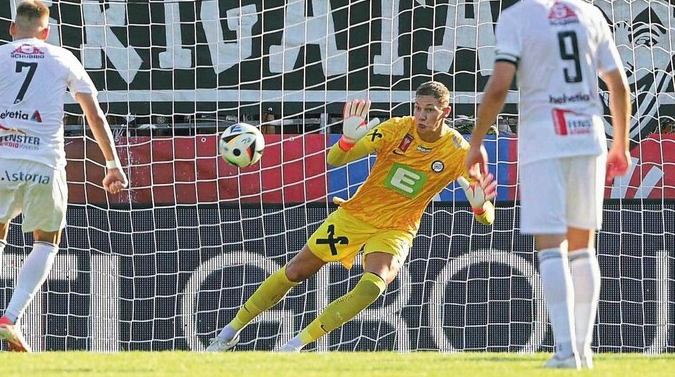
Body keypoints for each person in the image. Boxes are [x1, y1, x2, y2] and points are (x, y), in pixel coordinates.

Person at [206, 81, 497, 352]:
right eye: (418, 108)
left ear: (445, 112)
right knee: (296, 271)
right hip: (356, 215)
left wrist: (481, 208)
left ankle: (293, 346)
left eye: (429, 110)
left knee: (372, 287)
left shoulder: (459, 151)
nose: (421, 115)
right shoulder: (395, 129)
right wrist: (346, 140)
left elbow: (488, 220)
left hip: (397, 227)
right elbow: (336, 159)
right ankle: (228, 334)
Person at [0, 0, 128, 352]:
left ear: (13, 29)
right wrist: (112, 163)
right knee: (47, 241)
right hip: (44, 162)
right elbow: (94, 114)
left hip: (1, 160)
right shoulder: (61, 57)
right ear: (45, 33)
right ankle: (10, 320)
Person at [464, 0, 631, 370]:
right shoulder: (589, 13)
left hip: (543, 136)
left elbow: (500, 84)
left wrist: (478, 141)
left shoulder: (517, 16)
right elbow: (618, 85)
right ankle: (584, 351)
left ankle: (565, 353)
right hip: (588, 136)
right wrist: (621, 143)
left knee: (551, 246)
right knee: (583, 247)